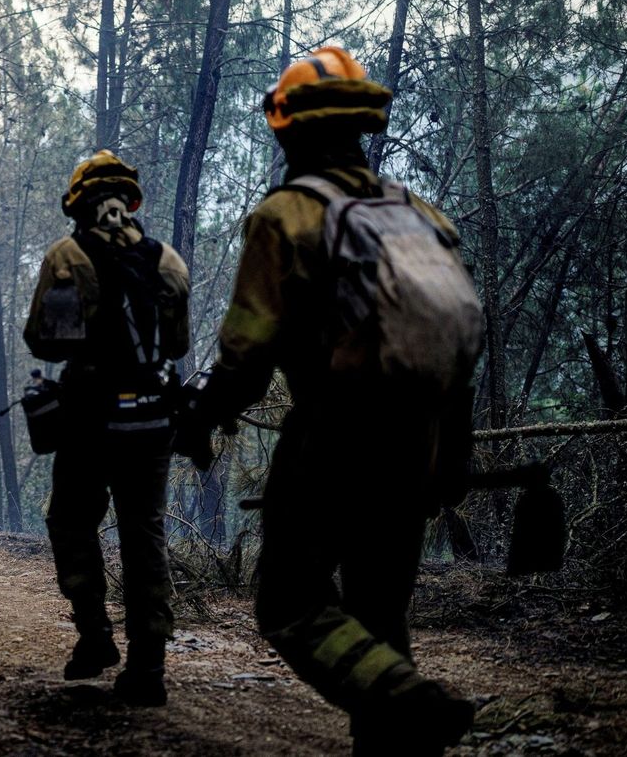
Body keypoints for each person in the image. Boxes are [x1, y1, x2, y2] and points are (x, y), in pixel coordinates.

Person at [178, 46, 481, 755]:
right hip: (422, 439)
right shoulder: (419, 214)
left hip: (334, 435)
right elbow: (458, 343)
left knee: (291, 604)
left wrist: (199, 418)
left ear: (288, 129)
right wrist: (451, 455)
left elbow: (247, 357)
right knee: (379, 613)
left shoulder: (286, 215)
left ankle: (408, 698)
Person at [22, 149, 192, 707]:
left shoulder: (67, 257)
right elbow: (178, 346)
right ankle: (149, 667)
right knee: (145, 535)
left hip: (89, 421)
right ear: (129, 201)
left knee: (71, 522)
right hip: (153, 421)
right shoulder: (168, 261)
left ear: (79, 205)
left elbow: (46, 343)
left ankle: (95, 636)